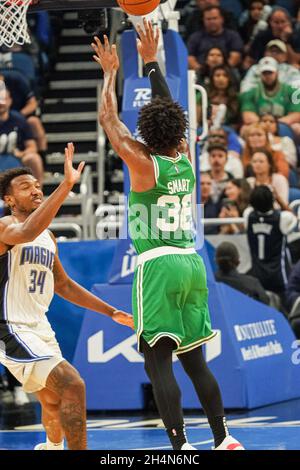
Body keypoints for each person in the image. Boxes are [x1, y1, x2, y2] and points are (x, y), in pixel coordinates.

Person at [92, 18, 244, 451]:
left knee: (157, 361)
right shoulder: (184, 162)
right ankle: (224, 437)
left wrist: (110, 72)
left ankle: (180, 446)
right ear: (178, 133)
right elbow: (168, 112)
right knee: (195, 360)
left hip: (157, 264)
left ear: (146, 132)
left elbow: (109, 119)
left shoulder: (142, 164)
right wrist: (152, 62)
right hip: (192, 263)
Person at [0, 149, 133, 450]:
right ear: (9, 200)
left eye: (37, 184)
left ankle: (52, 446)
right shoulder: (5, 227)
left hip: (38, 326)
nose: (35, 189)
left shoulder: (48, 238)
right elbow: (27, 230)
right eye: (25, 187)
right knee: (73, 384)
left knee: (52, 398)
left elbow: (63, 284)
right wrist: (66, 186)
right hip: (10, 327)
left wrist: (110, 311)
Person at [244, 185, 297, 299]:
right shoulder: (283, 218)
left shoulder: (248, 215)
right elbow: (294, 217)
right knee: (285, 310)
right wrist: (279, 199)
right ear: (272, 200)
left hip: (257, 275)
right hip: (279, 275)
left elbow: (252, 207)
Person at [239, 57, 300, 136]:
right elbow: (247, 116)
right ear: (260, 75)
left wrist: (274, 124)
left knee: (297, 127)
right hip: (259, 125)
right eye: (264, 73)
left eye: (270, 73)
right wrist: (265, 124)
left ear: (277, 73)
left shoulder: (292, 91)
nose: (267, 76)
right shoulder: (251, 93)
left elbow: (297, 115)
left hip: (284, 124)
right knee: (244, 129)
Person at [0, 86, 44, 185]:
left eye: (4, 99)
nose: (1, 102)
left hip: (15, 159)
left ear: (10, 101)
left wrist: (22, 154)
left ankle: (37, 195)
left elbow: (32, 146)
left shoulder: (18, 119)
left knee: (34, 158)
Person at [187, 5, 244, 71]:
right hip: (200, 73)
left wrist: (222, 72)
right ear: (203, 20)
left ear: (222, 19)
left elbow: (235, 57)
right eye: (208, 19)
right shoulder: (195, 37)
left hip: (227, 73)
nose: (211, 22)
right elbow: (189, 58)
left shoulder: (233, 36)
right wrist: (202, 71)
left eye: (214, 18)